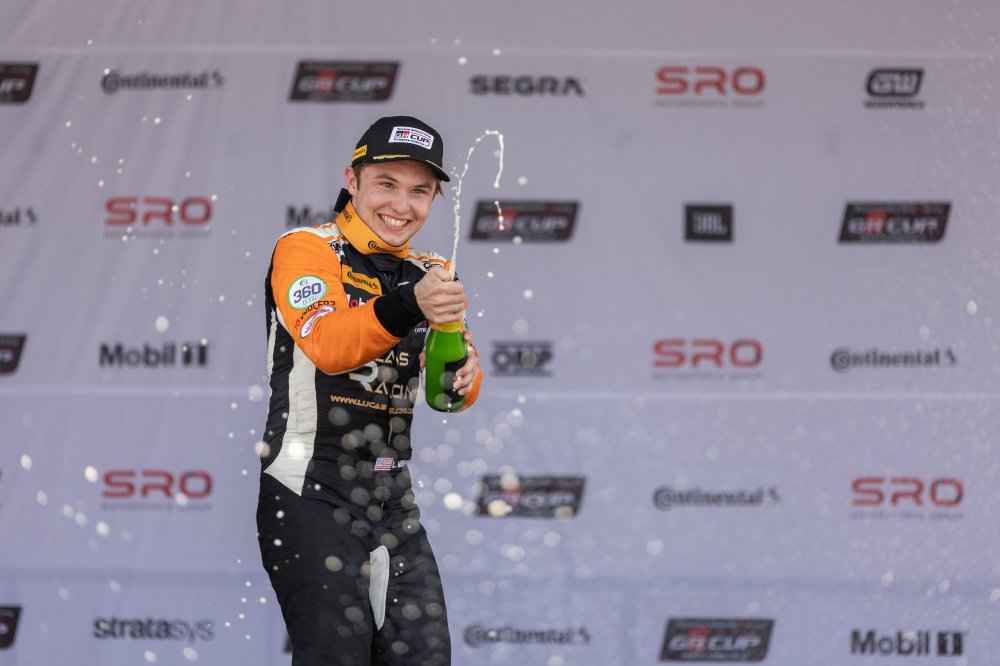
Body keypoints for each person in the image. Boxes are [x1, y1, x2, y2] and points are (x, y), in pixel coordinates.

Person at [256, 115, 482, 666]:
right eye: (386, 184)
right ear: (352, 181)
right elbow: (330, 345)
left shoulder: (433, 270)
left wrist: (465, 374)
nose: (401, 206)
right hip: (312, 489)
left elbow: (449, 393)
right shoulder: (306, 248)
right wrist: (409, 304)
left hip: (393, 498)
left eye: (419, 191)